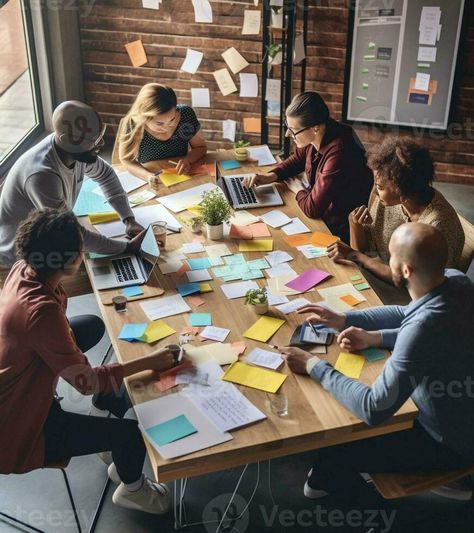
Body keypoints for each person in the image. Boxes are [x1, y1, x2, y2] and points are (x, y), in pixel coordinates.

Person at [0, 208, 182, 514]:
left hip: (20, 376)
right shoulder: (41, 312)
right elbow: (87, 382)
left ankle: (101, 422)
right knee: (131, 435)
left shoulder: (24, 268)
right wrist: (150, 362)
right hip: (18, 425)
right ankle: (133, 490)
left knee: (92, 326)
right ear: (72, 261)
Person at [279, 222, 474, 500]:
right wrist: (346, 320)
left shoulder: (422, 330)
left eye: (391, 256)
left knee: (337, 442)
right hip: (462, 413)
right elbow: (406, 313)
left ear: (405, 270)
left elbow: (374, 407)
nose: (386, 261)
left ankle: (370, 511)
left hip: (447, 443)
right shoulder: (456, 280)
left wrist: (313, 365)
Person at [0, 100, 145, 273]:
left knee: (110, 263)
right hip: (21, 261)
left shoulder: (73, 151)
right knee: (108, 269)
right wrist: (125, 247)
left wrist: (128, 219)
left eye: (100, 135)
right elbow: (70, 233)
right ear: (68, 140)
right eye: (94, 140)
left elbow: (106, 175)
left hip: (50, 238)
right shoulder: (42, 176)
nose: (100, 144)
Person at [327, 137, 465, 283]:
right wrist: (355, 225)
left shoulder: (436, 226)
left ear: (402, 189)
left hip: (416, 296)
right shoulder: (389, 201)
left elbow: (407, 281)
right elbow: (364, 252)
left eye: (380, 187)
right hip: (380, 275)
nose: (374, 192)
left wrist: (355, 255)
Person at [242, 92, 373, 242]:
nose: (287, 134)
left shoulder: (340, 151)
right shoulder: (320, 132)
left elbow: (312, 209)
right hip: (321, 214)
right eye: (287, 126)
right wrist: (270, 176)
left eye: (293, 130)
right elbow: (298, 159)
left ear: (315, 128)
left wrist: (298, 189)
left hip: (338, 230)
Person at [118, 83, 207, 179]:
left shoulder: (185, 114)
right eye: (159, 123)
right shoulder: (133, 123)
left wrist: (188, 160)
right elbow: (126, 160)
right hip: (150, 174)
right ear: (144, 118)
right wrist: (148, 176)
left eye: (172, 119)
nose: (167, 127)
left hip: (181, 175)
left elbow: (201, 147)